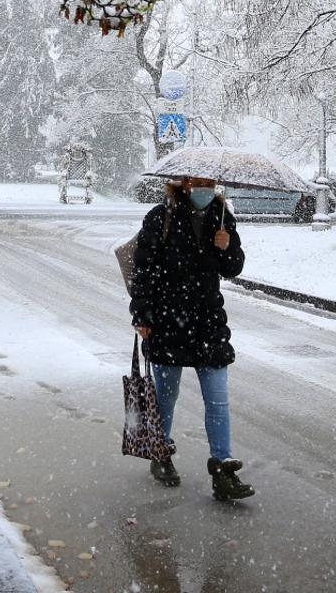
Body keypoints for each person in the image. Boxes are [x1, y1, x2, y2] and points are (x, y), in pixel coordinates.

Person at [129, 176, 254, 502]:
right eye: (197, 182)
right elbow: (143, 270)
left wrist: (225, 248)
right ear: (182, 184)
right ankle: (161, 453)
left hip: (208, 321)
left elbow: (233, 267)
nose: (204, 189)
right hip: (168, 320)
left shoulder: (222, 217)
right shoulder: (161, 217)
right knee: (166, 396)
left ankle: (224, 469)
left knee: (218, 399)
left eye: (208, 183)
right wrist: (142, 315)